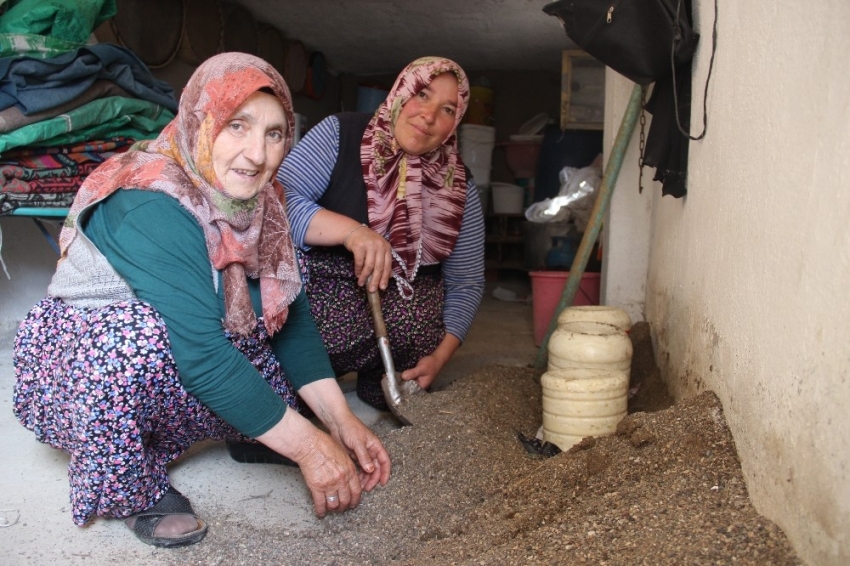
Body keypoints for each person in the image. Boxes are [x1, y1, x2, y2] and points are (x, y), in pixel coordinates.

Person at [12, 53, 390, 549]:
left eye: (274, 134)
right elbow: (204, 357)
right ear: (200, 122)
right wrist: (309, 448)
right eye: (238, 126)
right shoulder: (149, 199)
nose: (257, 154)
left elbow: (291, 318)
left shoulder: (260, 201)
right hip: (82, 362)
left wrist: (340, 422)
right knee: (137, 341)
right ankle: (132, 489)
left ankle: (250, 429)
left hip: (189, 343)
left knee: (264, 319)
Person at [277, 57, 485, 410]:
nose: (429, 115)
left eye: (447, 108)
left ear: (456, 121)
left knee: (420, 315)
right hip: (325, 316)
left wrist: (440, 358)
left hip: (401, 341)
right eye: (422, 94)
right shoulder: (340, 133)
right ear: (400, 92)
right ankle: (307, 382)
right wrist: (353, 232)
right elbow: (278, 203)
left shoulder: (459, 185)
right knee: (293, 374)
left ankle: (381, 383)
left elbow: (466, 282)